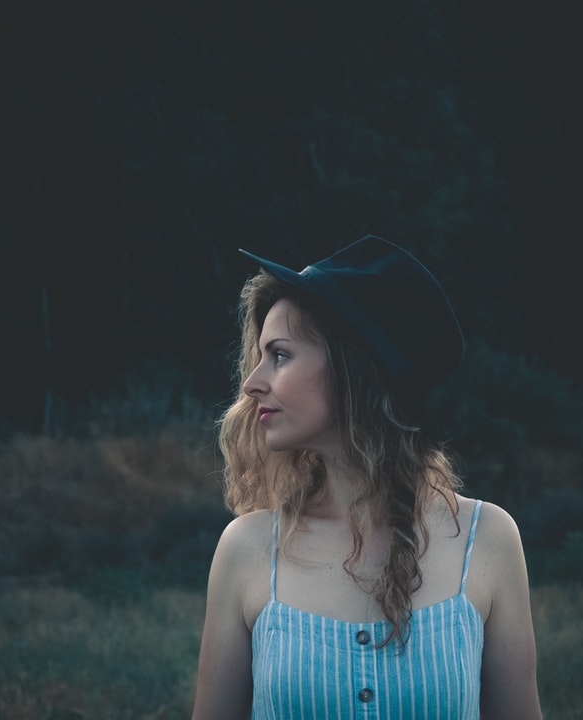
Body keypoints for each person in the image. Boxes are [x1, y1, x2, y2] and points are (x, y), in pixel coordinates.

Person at [192, 235, 542, 719]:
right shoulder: (246, 550)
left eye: (280, 355)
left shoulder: (487, 541)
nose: (252, 383)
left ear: (352, 368)